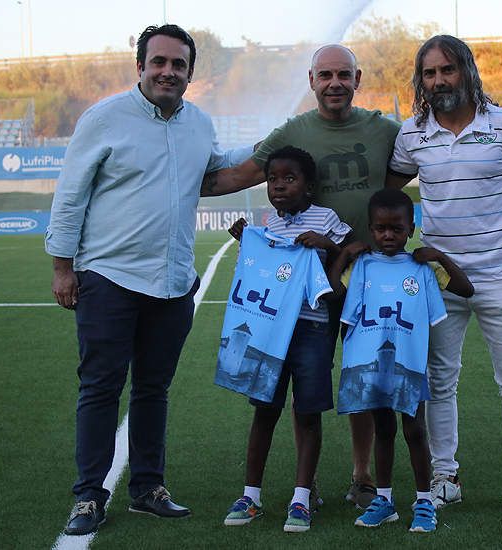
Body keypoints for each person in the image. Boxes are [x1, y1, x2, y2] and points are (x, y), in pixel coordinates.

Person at [45, 24, 251, 536]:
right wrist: (62, 267)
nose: (167, 71)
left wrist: (275, 151)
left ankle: (147, 489)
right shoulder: (104, 118)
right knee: (100, 388)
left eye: (178, 64)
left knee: (153, 390)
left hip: (174, 282)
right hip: (109, 277)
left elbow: (217, 169)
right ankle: (89, 495)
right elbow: (71, 194)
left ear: (189, 73)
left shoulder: (198, 124)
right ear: (140, 66)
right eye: (158, 62)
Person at [202, 44, 401, 508]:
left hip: (370, 276)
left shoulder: (383, 129)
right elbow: (241, 175)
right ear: (311, 80)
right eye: (325, 75)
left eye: (344, 75)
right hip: (304, 296)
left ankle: (362, 474)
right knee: (302, 374)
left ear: (358, 78)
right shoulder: (294, 130)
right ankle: (303, 487)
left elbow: (416, 165)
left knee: (363, 375)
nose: (335, 83)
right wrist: (171, 179)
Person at [385, 35, 502, 515]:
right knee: (439, 381)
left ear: (467, 70)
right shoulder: (411, 133)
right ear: (421, 80)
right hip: (441, 280)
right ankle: (445, 477)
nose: (438, 80)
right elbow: (387, 194)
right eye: (429, 73)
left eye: (447, 70)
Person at [220, 146, 351, 533]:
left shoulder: (325, 218)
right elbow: (261, 275)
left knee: (307, 413)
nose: (279, 186)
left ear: (309, 186)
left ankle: (301, 497)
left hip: (312, 330)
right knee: (264, 411)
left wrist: (327, 246)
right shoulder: (268, 227)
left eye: (289, 178)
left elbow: (351, 251)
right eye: (273, 179)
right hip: (271, 332)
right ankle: (251, 495)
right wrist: (249, 243)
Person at [328, 189, 473, 533]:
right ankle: (385, 499)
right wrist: (346, 253)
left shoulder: (421, 267)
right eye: (380, 229)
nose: (388, 235)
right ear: (371, 228)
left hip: (408, 365)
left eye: (396, 228)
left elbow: (465, 289)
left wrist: (439, 255)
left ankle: (424, 502)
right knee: (384, 430)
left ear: (411, 228)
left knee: (414, 430)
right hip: (372, 365)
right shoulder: (361, 265)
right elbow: (332, 292)